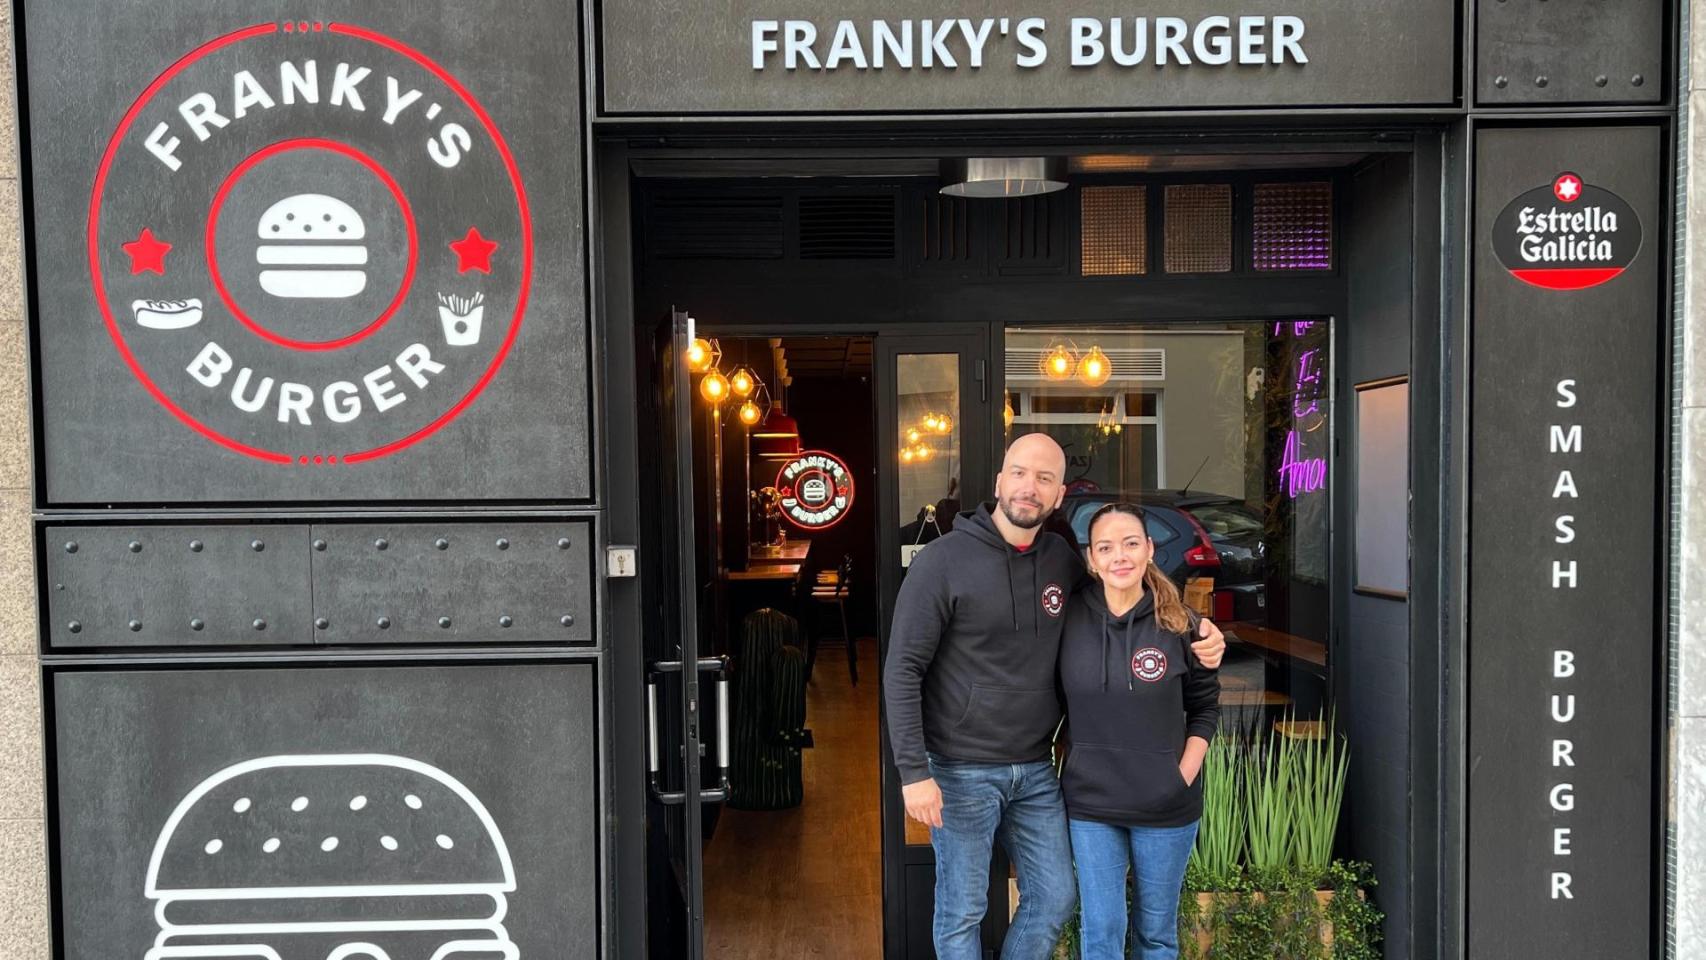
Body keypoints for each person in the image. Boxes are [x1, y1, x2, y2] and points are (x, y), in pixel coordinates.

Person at [883, 433, 1226, 960]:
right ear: (999, 480)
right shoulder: (942, 561)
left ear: (1059, 493)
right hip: (960, 770)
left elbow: (1128, 596)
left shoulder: (1063, 560)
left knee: (1055, 897)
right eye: (1020, 473)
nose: (1030, 487)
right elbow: (902, 669)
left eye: (1045, 478)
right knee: (962, 911)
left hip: (1037, 771)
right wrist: (914, 773)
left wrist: (1199, 630)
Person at [1059, 502, 1221, 960]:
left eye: (1131, 543)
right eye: (1106, 547)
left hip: (1166, 807)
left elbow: (1206, 707)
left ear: (1149, 549)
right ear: (1091, 559)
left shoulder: (1181, 624)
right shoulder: (1068, 621)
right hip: (1092, 805)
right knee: (1102, 931)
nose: (1120, 556)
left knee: (1156, 934)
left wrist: (1180, 775)